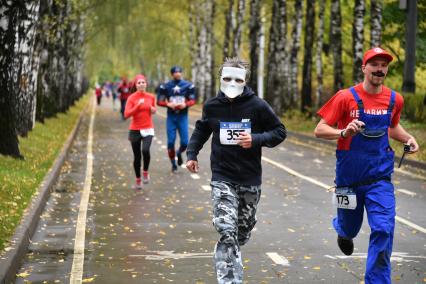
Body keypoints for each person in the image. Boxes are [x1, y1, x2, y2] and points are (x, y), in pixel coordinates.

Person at [314, 47, 419, 284]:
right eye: (375, 64)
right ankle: (343, 230)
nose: (379, 69)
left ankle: (377, 281)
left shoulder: (394, 99)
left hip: (379, 179)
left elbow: (391, 127)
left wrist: (408, 139)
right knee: (350, 227)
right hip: (348, 180)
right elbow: (319, 129)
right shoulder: (344, 97)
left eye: (384, 65)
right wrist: (343, 131)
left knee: (383, 229)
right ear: (364, 68)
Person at [186, 57, 287, 283]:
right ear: (220, 79)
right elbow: (201, 131)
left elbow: (280, 132)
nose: (232, 83)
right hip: (222, 177)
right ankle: (230, 279)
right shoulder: (212, 106)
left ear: (245, 81)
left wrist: (256, 139)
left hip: (250, 179)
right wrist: (191, 154)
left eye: (237, 79)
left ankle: (237, 242)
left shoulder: (258, 106)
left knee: (241, 232)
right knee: (226, 228)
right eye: (227, 78)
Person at [157, 66, 196, 172]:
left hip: (183, 116)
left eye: (179, 72)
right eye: (175, 72)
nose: (178, 73)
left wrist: (185, 104)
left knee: (185, 142)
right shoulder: (165, 86)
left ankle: (179, 153)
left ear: (181, 73)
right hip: (171, 117)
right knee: (170, 142)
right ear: (172, 74)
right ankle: (173, 164)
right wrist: (168, 104)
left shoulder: (188, 85)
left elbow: (193, 100)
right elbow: (159, 101)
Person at [124, 74, 156, 189]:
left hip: (148, 128)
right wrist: (137, 106)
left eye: (143, 82)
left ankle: (145, 171)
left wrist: (153, 110)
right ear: (136, 85)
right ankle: (138, 179)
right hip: (135, 129)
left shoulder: (151, 97)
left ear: (146, 84)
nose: (141, 84)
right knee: (137, 156)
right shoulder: (132, 98)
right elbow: (126, 114)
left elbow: (153, 109)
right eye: (139, 83)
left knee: (145, 150)